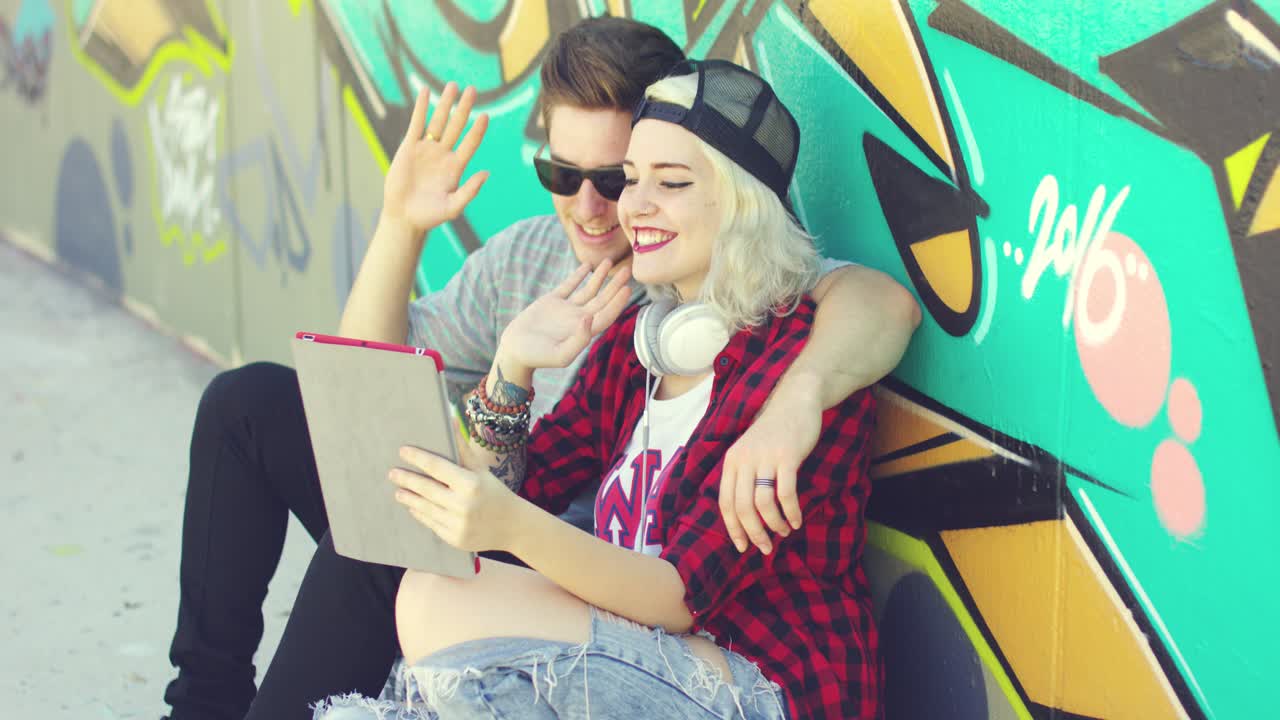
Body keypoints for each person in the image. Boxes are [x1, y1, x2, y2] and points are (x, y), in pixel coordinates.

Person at [161, 18, 919, 720]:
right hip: (573, 589)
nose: (609, 208)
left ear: (738, 203)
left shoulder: (786, 338)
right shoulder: (617, 323)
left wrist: (800, 399)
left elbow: (881, 303)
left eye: (643, 181)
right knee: (265, 420)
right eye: (577, 174)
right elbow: (396, 407)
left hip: (694, 639)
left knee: (401, 565)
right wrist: (505, 356)